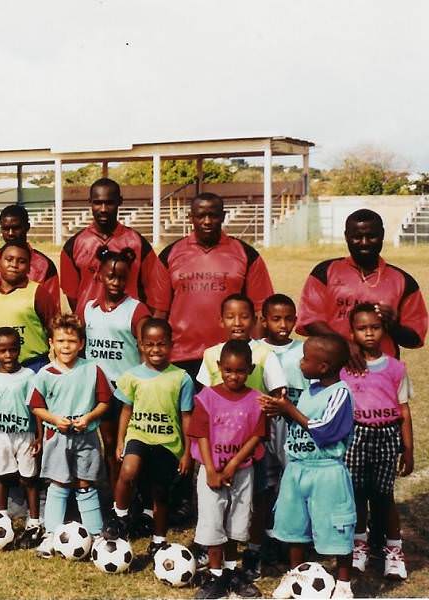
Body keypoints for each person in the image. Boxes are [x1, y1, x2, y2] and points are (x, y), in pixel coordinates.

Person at [197, 293, 287, 579]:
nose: (237, 322)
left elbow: (277, 396)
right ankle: (215, 561)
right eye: (231, 316)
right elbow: (203, 399)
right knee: (215, 505)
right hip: (216, 447)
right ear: (220, 319)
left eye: (244, 316)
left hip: (250, 446)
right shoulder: (211, 354)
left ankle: (254, 550)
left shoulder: (263, 355)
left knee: (254, 500)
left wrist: (264, 415)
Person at [263, 334, 356, 599]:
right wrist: (281, 411)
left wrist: (290, 410)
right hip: (297, 468)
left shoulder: (340, 393)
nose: (301, 363)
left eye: (305, 359)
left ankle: (344, 584)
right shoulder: (309, 390)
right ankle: (296, 575)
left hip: (326, 472)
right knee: (295, 525)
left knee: (337, 527)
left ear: (323, 366)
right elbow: (301, 423)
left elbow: (325, 430)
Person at [158, 192, 274, 383]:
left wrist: (254, 353)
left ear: (223, 216)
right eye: (200, 215)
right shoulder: (170, 254)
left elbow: (261, 310)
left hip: (231, 359)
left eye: (213, 215)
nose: (207, 221)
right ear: (191, 217)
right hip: (180, 357)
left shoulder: (246, 254)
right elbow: (159, 312)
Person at [102, 319, 194, 560]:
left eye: (161, 344)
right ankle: (119, 516)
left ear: (171, 345)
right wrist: (121, 440)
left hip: (167, 442)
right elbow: (125, 410)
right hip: (138, 434)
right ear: (140, 345)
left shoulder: (181, 378)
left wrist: (187, 452)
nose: (155, 350)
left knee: (160, 493)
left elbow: (186, 417)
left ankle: (159, 540)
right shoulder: (132, 376)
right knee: (129, 471)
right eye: (149, 344)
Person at [297, 208, 427, 371]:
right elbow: (309, 321)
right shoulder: (324, 272)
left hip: (381, 375)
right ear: (346, 237)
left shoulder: (403, 281)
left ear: (382, 235)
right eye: (357, 237)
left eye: (371, 236)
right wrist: (344, 345)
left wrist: (393, 326)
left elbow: (415, 338)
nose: (364, 242)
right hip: (331, 373)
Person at [30, 314, 112, 558]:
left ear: (81, 344)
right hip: (57, 438)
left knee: (85, 484)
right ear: (51, 343)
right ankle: (51, 535)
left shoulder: (92, 369)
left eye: (71, 341)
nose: (66, 346)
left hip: (85, 436)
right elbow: (36, 406)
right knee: (59, 483)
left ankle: (96, 536)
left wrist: (88, 417)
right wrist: (54, 419)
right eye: (61, 341)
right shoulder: (45, 373)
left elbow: (104, 402)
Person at [341, 304, 413, 580]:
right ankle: (359, 546)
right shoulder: (346, 367)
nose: (369, 333)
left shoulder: (395, 367)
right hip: (357, 435)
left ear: (383, 330)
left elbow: (403, 410)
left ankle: (394, 550)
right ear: (352, 332)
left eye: (375, 327)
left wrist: (408, 448)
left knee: (384, 496)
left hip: (386, 435)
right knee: (357, 493)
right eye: (362, 328)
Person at [188, 340, 265, 599]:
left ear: (250, 369)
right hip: (211, 472)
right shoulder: (207, 397)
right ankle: (216, 576)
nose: (234, 376)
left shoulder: (256, 400)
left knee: (237, 523)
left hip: (241, 472)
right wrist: (210, 469)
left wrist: (233, 464)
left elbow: (256, 435)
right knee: (213, 523)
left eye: (241, 371)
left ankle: (232, 572)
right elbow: (200, 434)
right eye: (228, 370)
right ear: (219, 367)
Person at [81, 246, 150, 495]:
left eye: (121, 277)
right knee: (109, 444)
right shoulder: (89, 308)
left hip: (127, 391)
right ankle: (113, 496)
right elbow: (81, 347)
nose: (115, 282)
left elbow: (145, 351)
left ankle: (135, 498)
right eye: (110, 276)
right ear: (99, 275)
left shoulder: (136, 309)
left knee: (131, 446)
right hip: (100, 391)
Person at [249, 293, 310, 575]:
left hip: (294, 426)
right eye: (276, 319)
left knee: (293, 482)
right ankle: (269, 538)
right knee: (267, 483)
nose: (282, 324)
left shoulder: (303, 351)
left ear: (296, 321)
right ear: (264, 321)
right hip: (263, 426)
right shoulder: (256, 349)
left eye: (288, 319)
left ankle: (296, 538)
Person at [0, 327, 44, 549]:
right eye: (3, 351)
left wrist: (39, 435)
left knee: (29, 478)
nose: (8, 356)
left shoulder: (29, 376)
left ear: (19, 349)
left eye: (13, 350)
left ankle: (34, 522)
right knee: (1, 477)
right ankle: (1, 516)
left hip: (24, 434)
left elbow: (36, 407)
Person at [60, 178, 167, 316]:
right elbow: (72, 295)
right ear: (90, 202)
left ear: (120, 202)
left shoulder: (138, 243)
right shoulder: (73, 245)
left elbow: (153, 290)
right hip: (90, 327)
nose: (103, 209)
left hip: (128, 327)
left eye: (109, 203)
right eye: (98, 203)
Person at [0, 241, 55, 372]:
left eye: (21, 261)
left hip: (32, 365)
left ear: (29, 267)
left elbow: (54, 328)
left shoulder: (38, 292)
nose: (14, 265)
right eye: (9, 259)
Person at [0, 204, 61, 313]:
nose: (10, 233)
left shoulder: (45, 265)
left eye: (16, 228)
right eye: (6, 228)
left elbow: (53, 313)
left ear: (27, 227)